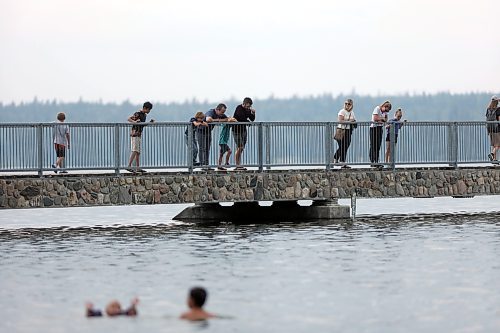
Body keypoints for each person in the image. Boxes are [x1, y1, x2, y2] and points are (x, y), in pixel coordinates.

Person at [198, 104, 235, 170]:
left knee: (207, 149)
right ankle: (202, 165)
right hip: (201, 131)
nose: (223, 114)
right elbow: (208, 119)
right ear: (217, 110)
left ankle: (206, 165)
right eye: (222, 112)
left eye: (224, 112)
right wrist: (221, 120)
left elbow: (228, 119)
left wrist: (231, 119)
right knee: (202, 148)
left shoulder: (221, 114)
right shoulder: (211, 112)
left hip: (208, 132)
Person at [126, 102, 154, 173]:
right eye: (149, 110)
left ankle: (138, 167)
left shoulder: (144, 115)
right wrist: (134, 122)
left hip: (139, 134)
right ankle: (129, 166)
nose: (149, 111)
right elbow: (129, 119)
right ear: (145, 108)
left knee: (138, 152)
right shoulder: (138, 113)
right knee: (135, 150)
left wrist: (149, 123)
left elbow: (142, 125)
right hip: (134, 134)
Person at [232, 97, 256, 171]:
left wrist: (253, 113)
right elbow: (241, 117)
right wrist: (247, 122)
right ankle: (237, 165)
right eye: (247, 106)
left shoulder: (248, 110)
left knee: (242, 148)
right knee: (240, 147)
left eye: (249, 106)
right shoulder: (239, 108)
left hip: (243, 130)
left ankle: (239, 164)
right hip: (236, 130)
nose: (248, 107)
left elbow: (252, 119)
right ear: (244, 104)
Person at [333, 99, 357, 168]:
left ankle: (336, 158)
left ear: (351, 105)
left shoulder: (352, 113)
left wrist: (353, 122)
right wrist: (349, 121)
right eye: (346, 103)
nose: (347, 105)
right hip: (341, 131)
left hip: (348, 131)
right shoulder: (342, 111)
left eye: (349, 104)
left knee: (345, 147)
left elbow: (354, 120)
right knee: (342, 146)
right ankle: (342, 161)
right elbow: (340, 120)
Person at [369, 100, 391, 168]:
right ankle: (372, 161)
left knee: (378, 145)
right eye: (386, 110)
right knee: (373, 145)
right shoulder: (377, 109)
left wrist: (385, 119)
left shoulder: (384, 113)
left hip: (379, 128)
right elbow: (375, 118)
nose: (386, 112)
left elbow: (385, 121)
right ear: (384, 106)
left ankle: (376, 161)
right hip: (374, 128)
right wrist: (382, 119)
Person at [486, 96, 500, 161]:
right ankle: (492, 154)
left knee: (494, 144)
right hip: (496, 128)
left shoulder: (488, 109)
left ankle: (494, 159)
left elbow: (486, 118)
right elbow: (499, 119)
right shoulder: (498, 109)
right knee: (498, 144)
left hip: (490, 127)